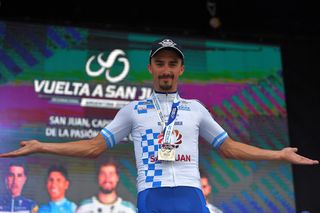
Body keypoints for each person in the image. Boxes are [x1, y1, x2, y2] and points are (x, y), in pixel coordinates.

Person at [0, 38, 318, 213]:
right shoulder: (133, 111)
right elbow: (94, 147)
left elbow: (231, 149)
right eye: (160, 63)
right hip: (152, 198)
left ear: (181, 69)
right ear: (151, 67)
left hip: (191, 199)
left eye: (172, 64)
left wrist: (278, 155)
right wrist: (42, 146)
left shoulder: (195, 109)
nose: (166, 70)